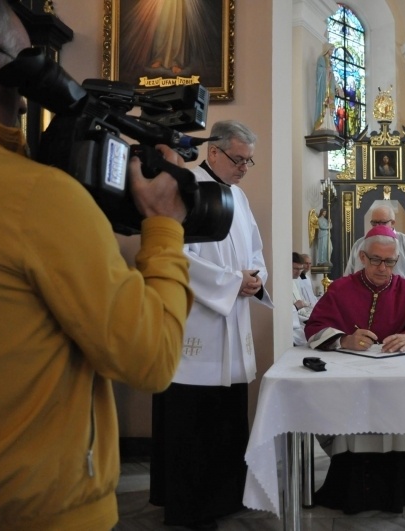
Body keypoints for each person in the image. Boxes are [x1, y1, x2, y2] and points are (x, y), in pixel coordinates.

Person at [0, 2, 193, 529]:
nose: (25, 104)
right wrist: (162, 224)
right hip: (38, 510)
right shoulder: (37, 199)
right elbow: (153, 358)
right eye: (22, 65)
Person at [150, 120, 273, 529]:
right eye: (239, 159)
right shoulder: (185, 187)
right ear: (214, 152)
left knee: (226, 417)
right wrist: (230, 282)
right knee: (192, 422)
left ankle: (223, 498)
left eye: (249, 160)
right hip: (195, 321)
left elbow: (253, 248)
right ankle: (189, 505)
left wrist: (255, 278)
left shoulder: (238, 196)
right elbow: (174, 253)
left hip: (233, 320)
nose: (244, 167)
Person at [305, 225, 405, 514]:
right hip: (349, 382)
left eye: (390, 262)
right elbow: (314, 327)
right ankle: (347, 490)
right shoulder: (341, 288)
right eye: (376, 260)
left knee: (394, 425)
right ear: (363, 257)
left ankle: (395, 489)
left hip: (395, 383)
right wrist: (344, 339)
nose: (383, 268)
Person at [344, 204, 405, 308]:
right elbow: (348, 279)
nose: (377, 226)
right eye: (374, 223)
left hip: (399, 305)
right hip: (362, 304)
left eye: (382, 222)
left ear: (393, 222)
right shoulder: (359, 244)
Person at [314, 42, 337, 131]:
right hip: (323, 87)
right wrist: (326, 70)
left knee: (329, 103)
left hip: (329, 86)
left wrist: (337, 87)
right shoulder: (321, 59)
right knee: (323, 103)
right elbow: (319, 71)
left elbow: (333, 76)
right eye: (331, 49)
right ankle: (322, 124)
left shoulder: (330, 62)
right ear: (327, 50)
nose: (332, 51)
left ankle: (329, 124)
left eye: (333, 50)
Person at [292, 252, 313, 321]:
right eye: (296, 269)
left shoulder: (295, 281)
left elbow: (302, 303)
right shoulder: (283, 283)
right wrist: (295, 307)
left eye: (300, 269)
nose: (299, 272)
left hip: (302, 317)